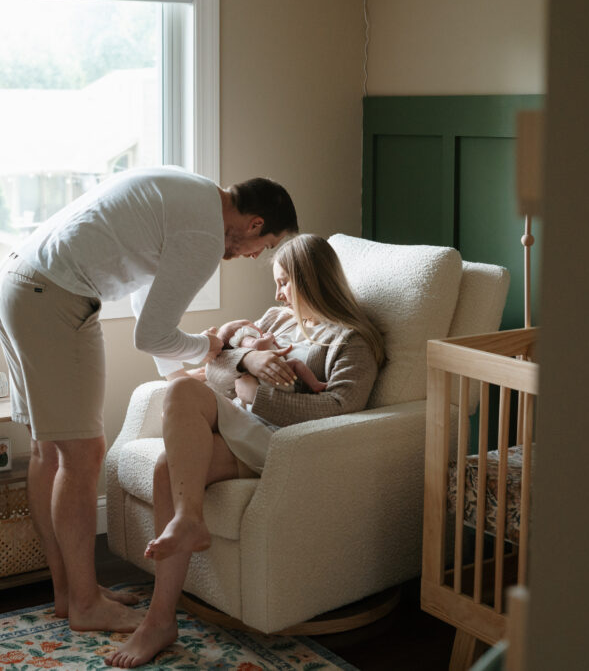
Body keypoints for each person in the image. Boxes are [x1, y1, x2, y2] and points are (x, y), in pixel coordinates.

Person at [0, 166, 297, 633]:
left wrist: (179, 372)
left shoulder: (187, 191)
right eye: (266, 246)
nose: (256, 255)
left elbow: (143, 303)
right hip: (54, 297)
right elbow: (151, 332)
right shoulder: (205, 234)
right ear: (255, 224)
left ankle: (69, 593)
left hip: (15, 282)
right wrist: (208, 347)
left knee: (48, 449)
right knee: (82, 452)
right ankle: (87, 604)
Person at [105, 234, 385, 667]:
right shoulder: (275, 319)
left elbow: (339, 407)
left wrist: (255, 393)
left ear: (312, 280)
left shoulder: (351, 339)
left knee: (180, 391)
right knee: (166, 469)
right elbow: (216, 363)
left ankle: (187, 519)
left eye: (284, 282)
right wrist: (245, 364)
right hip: (244, 426)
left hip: (284, 442)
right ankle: (160, 619)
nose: (277, 294)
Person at [226, 324, 326, 393]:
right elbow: (257, 346)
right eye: (244, 323)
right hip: (271, 376)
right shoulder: (243, 337)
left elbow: (278, 352)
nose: (252, 323)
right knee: (295, 363)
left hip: (271, 381)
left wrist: (276, 346)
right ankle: (315, 384)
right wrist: (269, 337)